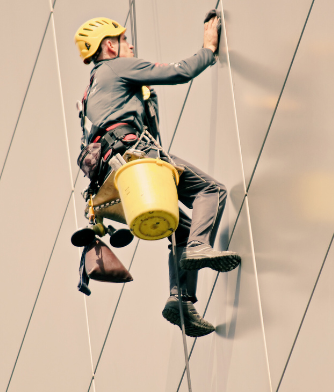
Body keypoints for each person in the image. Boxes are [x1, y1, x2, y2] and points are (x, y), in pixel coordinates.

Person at [74, 14, 241, 337]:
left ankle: (180, 300)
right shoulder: (116, 67)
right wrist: (208, 49)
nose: (131, 45)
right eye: (124, 41)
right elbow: (178, 72)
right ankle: (198, 248)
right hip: (135, 157)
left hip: (112, 179)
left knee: (183, 227)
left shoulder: (90, 91)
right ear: (109, 46)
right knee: (212, 191)